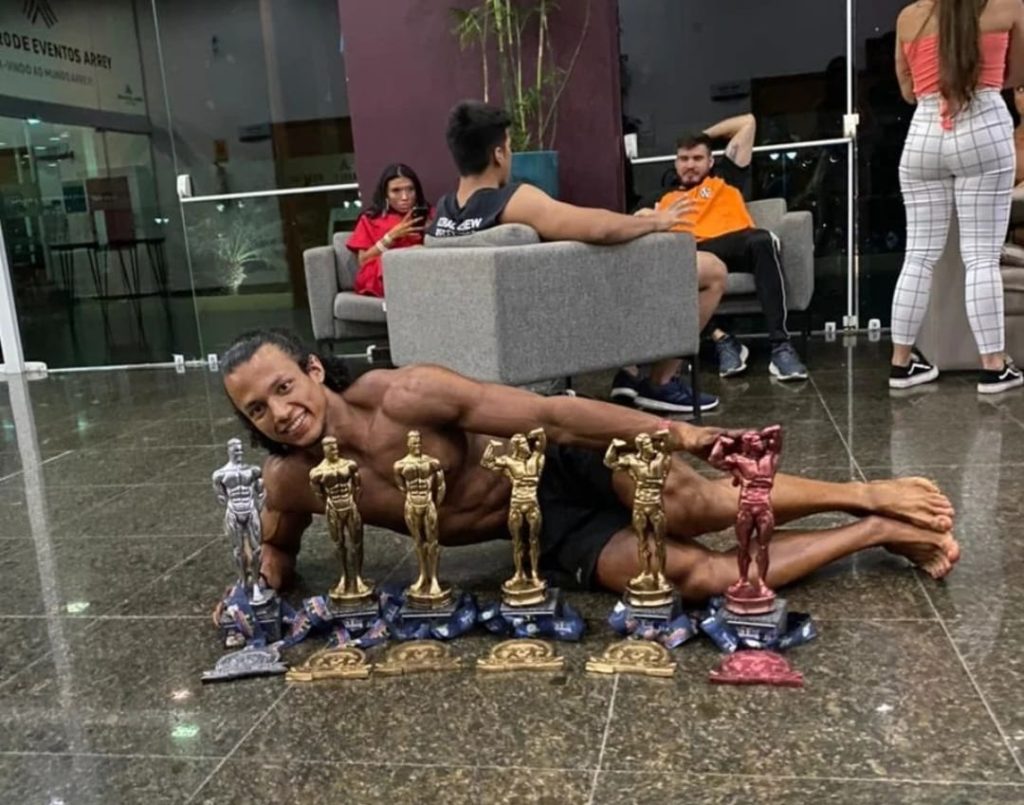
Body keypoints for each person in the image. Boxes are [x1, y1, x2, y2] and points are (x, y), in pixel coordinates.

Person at [219, 329, 960, 607]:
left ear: (312, 369)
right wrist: (257, 588)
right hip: (540, 533)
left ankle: (866, 492)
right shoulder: (292, 481)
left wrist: (678, 434)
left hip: (563, 464)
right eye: (257, 409)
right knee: (695, 578)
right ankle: (875, 531)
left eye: (283, 387)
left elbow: (556, 417)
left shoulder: (406, 395)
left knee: (695, 507)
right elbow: (276, 550)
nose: (279, 412)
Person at [428, 100, 725, 416]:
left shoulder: (442, 216)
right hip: (562, 318)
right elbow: (598, 229)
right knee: (712, 271)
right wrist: (655, 223)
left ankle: (630, 372)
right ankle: (659, 381)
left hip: (494, 333)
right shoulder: (512, 201)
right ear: (498, 154)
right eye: (510, 147)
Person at [890, 0, 1024, 394]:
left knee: (918, 255)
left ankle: (901, 363)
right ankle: (993, 367)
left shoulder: (909, 17)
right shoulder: (1008, 6)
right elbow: (1015, 74)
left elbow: (908, 91)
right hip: (984, 123)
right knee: (981, 256)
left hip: (924, 133)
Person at [634, 115, 809, 382]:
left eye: (697, 158)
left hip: (737, 242)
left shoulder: (726, 176)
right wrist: (650, 216)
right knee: (668, 268)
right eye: (684, 158)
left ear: (710, 161)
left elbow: (748, 123)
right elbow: (631, 223)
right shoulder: (661, 197)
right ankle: (722, 338)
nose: (690, 165)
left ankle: (781, 346)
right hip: (694, 253)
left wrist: (702, 136)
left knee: (762, 240)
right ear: (675, 163)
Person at [346, 163, 431, 298]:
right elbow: (363, 261)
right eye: (396, 191)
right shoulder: (370, 219)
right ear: (385, 194)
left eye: (410, 189)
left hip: (421, 270)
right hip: (385, 274)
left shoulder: (431, 215)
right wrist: (391, 236)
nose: (405, 197)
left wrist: (430, 232)